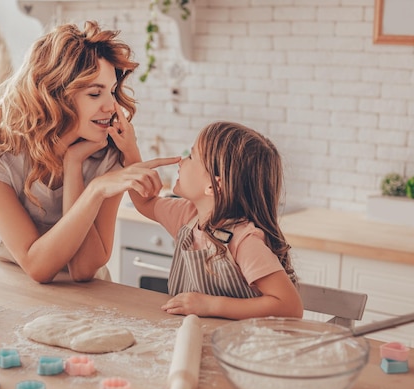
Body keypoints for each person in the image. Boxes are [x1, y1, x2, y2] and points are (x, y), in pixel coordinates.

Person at [0, 21, 170, 283]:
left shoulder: (108, 154)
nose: (111, 105)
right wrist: (94, 190)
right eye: (95, 94)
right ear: (54, 94)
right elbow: (37, 266)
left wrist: (74, 165)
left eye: (112, 91)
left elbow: (84, 269)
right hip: (14, 285)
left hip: (85, 297)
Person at [128, 121, 304, 320]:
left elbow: (290, 307)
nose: (181, 161)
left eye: (191, 156)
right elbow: (145, 202)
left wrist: (210, 305)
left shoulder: (245, 242)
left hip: (235, 346)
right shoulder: (187, 216)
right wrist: (128, 148)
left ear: (213, 185)